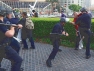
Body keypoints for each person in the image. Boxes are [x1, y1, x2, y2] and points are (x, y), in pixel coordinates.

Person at [0, 6, 23, 71]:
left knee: (17, 47)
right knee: (18, 60)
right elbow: (10, 34)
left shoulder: (4, 20)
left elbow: (10, 25)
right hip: (3, 46)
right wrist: (12, 28)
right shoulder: (1, 22)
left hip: (6, 43)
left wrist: (17, 26)